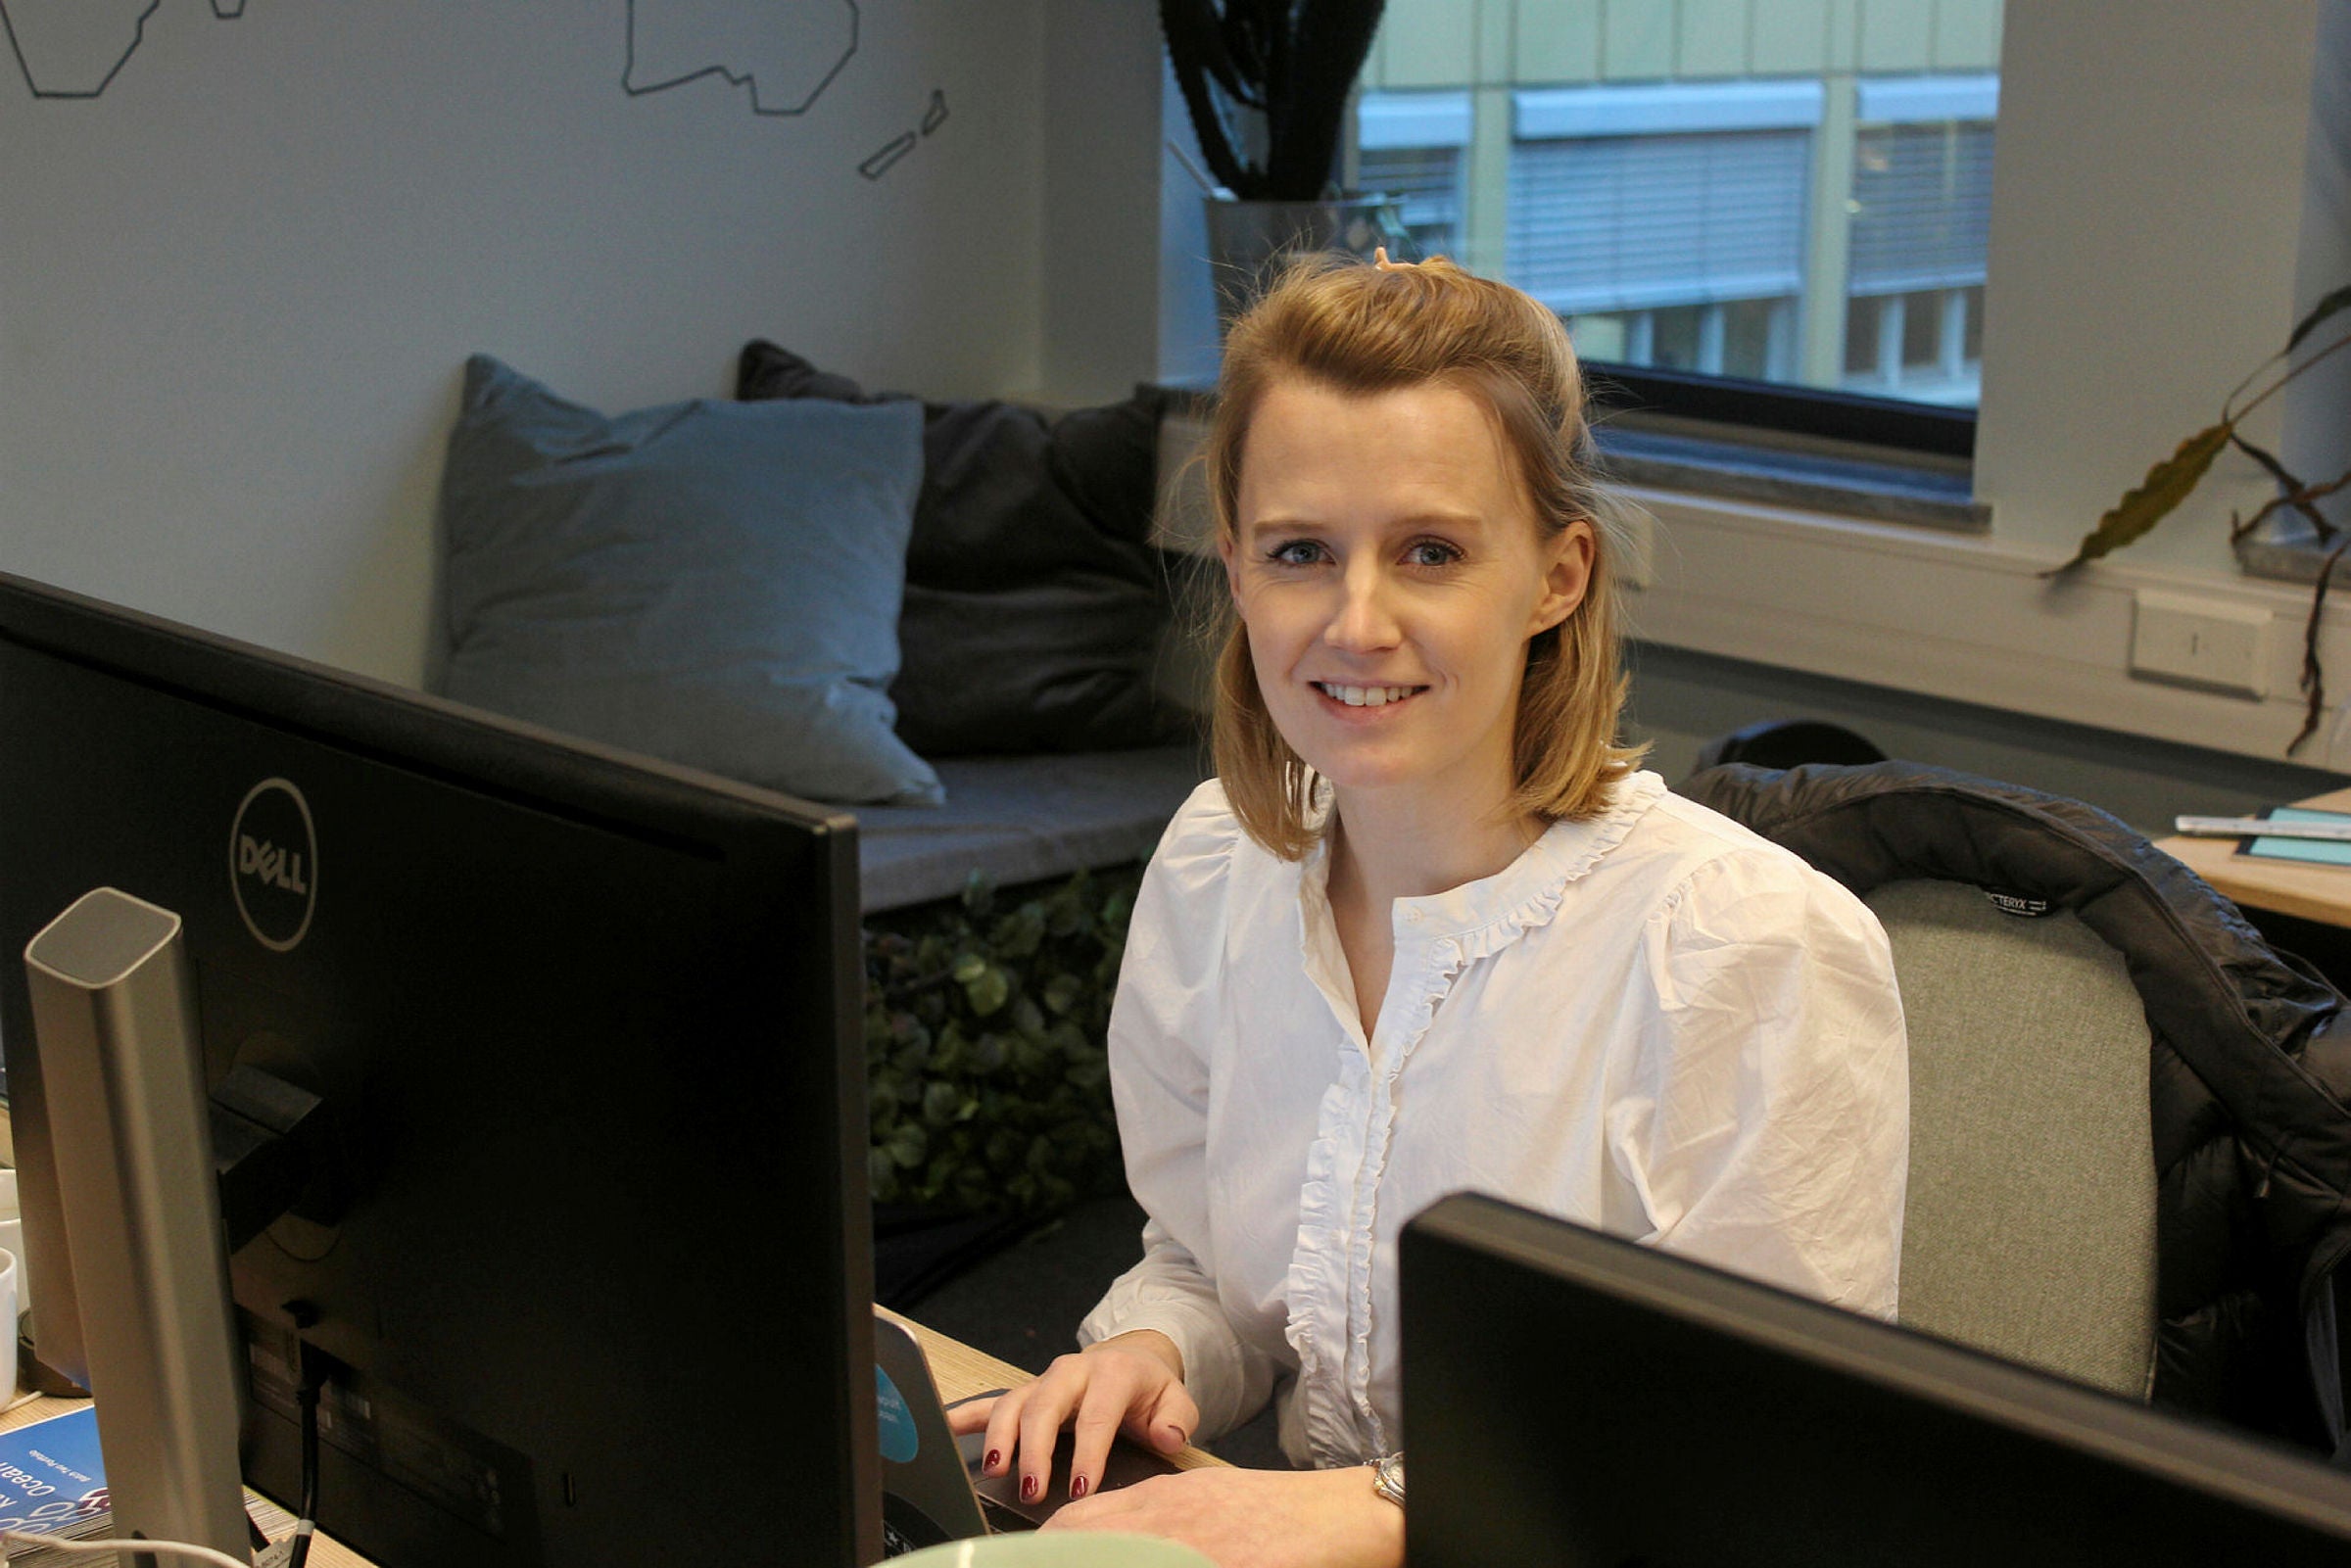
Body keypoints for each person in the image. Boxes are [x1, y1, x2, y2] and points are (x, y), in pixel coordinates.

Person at [948, 252, 1909, 1568]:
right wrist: (1152, 1346)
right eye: (1300, 551)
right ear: (1236, 569)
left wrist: (1369, 1508)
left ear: (1560, 574)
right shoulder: (1217, 863)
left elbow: (1756, 1453)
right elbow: (1213, 1271)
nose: (1358, 622)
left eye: (1432, 552)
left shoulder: (1745, 947)